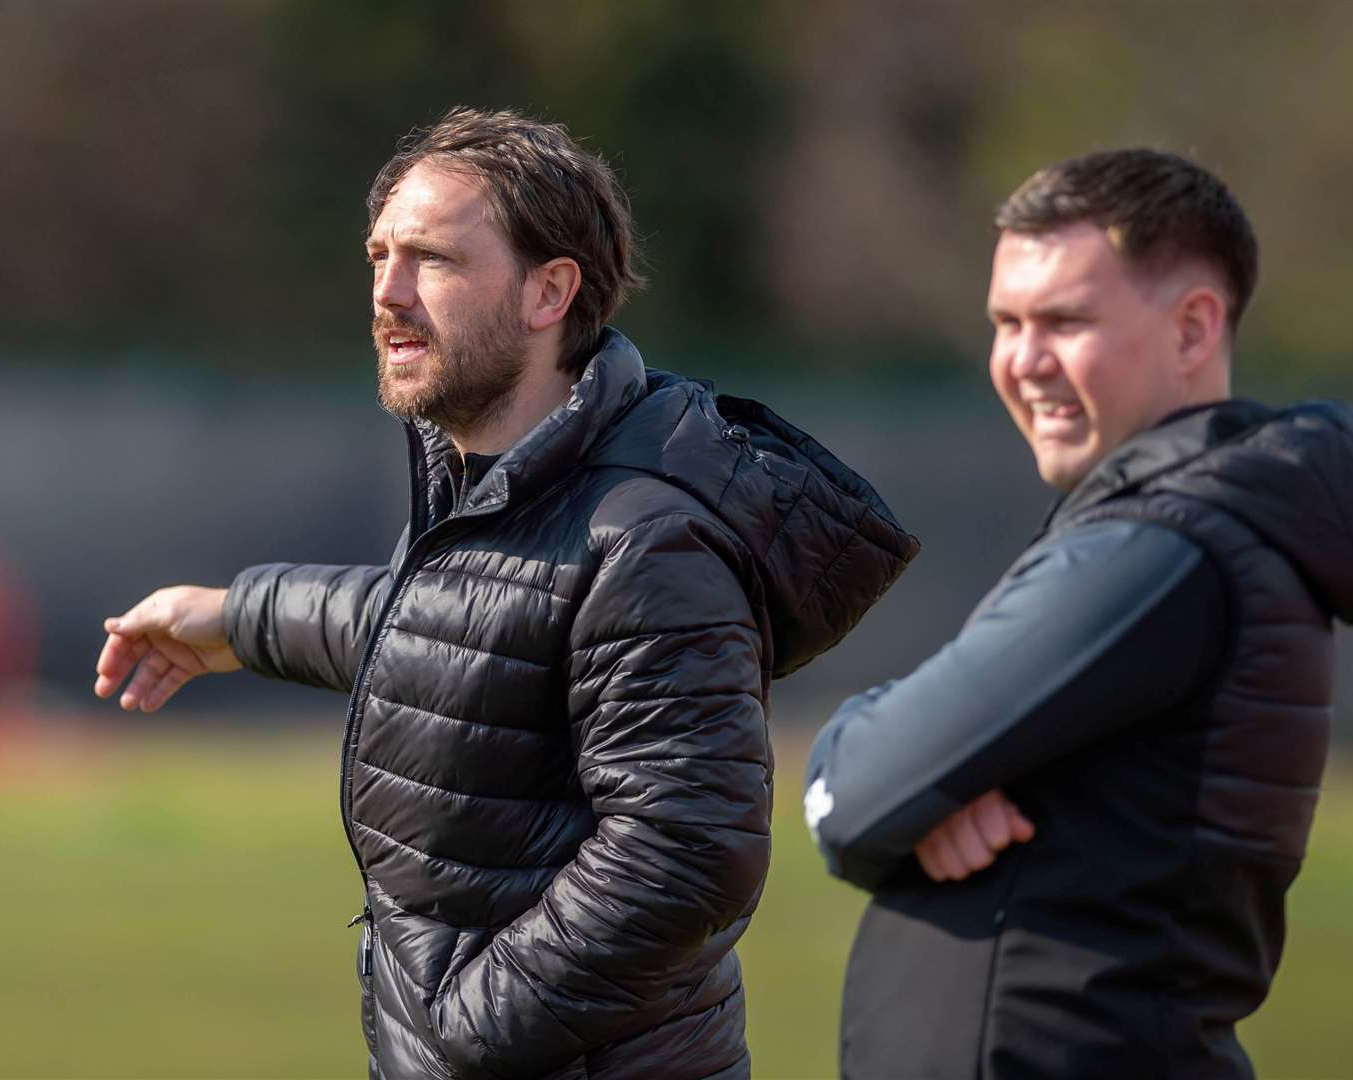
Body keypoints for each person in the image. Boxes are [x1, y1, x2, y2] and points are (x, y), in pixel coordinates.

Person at [94, 106, 918, 1080]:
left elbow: (686, 853)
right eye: (378, 255)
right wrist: (234, 616)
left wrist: (464, 1037)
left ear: (548, 292)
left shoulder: (645, 534)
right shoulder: (495, 486)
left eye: (433, 261)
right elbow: (457, 629)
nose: (387, 294)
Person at [804, 149, 1353, 1078]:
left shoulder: (1163, 550)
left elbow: (854, 797)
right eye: (1006, 323)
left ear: (1192, 328)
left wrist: (867, 760)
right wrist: (912, 781)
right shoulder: (1186, 530)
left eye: (1064, 320)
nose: (1022, 361)